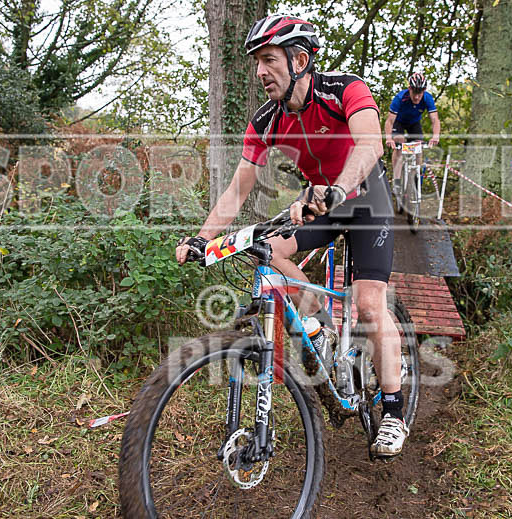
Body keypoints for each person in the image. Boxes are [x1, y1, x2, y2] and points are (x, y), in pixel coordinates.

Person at [175, 14, 408, 458]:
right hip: (317, 202)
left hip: (364, 199)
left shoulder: (344, 90)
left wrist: (339, 188)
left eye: (268, 60)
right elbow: (237, 188)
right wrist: (201, 239)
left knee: (369, 303)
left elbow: (369, 144)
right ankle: (317, 328)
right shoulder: (267, 119)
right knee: (269, 250)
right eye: (256, 63)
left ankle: (394, 410)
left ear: (299, 59)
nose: (260, 72)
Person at [384, 72, 441, 194]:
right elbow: (389, 121)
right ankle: (397, 180)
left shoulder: (427, 98)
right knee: (400, 143)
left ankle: (416, 176)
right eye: (414, 93)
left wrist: (435, 136)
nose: (416, 97)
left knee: (418, 147)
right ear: (409, 89)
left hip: (414, 123)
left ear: (424, 91)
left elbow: (435, 119)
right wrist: (389, 138)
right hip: (398, 122)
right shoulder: (400, 98)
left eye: (420, 94)